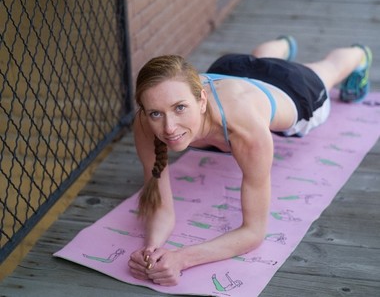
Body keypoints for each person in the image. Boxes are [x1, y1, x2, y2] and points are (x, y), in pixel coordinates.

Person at [128, 36, 372, 286]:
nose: (168, 128)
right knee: (259, 63)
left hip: (291, 86)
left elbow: (254, 233)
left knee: (327, 70)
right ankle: (280, 46)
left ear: (201, 100)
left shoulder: (246, 130)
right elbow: (161, 207)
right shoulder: (146, 122)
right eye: (156, 113)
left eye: (180, 108)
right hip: (230, 70)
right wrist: (151, 250)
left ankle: (358, 54)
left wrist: (182, 258)